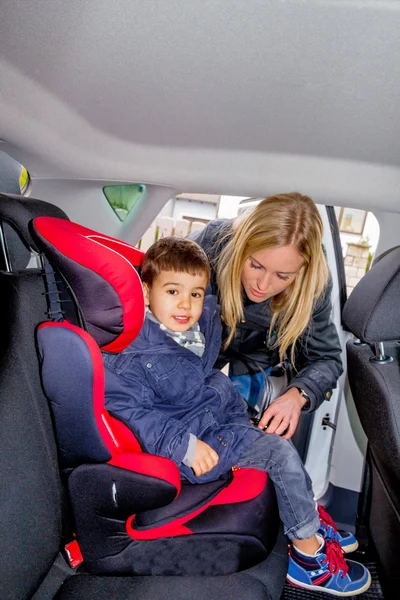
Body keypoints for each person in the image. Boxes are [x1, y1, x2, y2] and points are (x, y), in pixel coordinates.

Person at [103, 236, 371, 596]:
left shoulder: (194, 328)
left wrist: (238, 415)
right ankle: (309, 561)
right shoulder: (132, 352)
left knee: (277, 442)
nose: (186, 304)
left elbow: (211, 380)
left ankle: (310, 522)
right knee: (277, 453)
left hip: (212, 425)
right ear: (146, 293)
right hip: (189, 449)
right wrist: (186, 446)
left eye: (196, 294)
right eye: (172, 291)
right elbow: (131, 411)